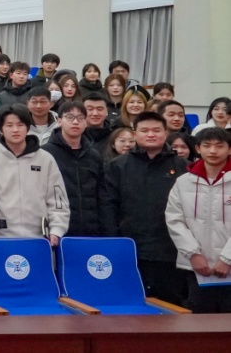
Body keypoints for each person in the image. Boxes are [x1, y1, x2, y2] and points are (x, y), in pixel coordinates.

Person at [103, 111, 190, 306]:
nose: (151, 134)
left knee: (172, 306)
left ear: (165, 133)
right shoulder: (118, 166)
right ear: (135, 134)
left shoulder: (183, 167)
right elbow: (108, 205)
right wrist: (114, 241)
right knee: (131, 304)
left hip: (170, 250)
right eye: (144, 130)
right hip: (131, 249)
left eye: (156, 130)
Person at [0, 105, 69, 244]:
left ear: (27, 128)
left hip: (40, 239)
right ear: (0, 129)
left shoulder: (45, 159)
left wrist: (56, 229)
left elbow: (57, 199)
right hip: (0, 239)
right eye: (9, 125)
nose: (15, 130)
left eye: (20, 125)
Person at [166, 127, 231, 313]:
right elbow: (174, 220)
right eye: (207, 145)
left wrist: (227, 259)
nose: (213, 151)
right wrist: (193, 254)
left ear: (229, 149)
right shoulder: (183, 182)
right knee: (200, 321)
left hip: (229, 266)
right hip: (197, 268)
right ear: (198, 148)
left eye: (219, 146)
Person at [43, 100, 106, 237]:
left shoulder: (94, 156)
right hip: (57, 231)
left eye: (80, 118)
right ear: (59, 121)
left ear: (86, 122)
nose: (76, 122)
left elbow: (102, 195)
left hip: (91, 231)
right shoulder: (45, 154)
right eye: (70, 117)